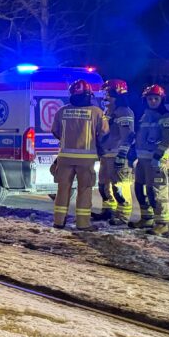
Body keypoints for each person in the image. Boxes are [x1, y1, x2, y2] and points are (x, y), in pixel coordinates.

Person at [52, 79, 108, 231]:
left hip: (65, 158)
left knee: (63, 189)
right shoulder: (97, 112)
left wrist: (68, 140)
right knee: (84, 190)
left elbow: (55, 131)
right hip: (86, 160)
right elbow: (104, 133)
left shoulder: (62, 111)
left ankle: (59, 221)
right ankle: (83, 224)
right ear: (89, 95)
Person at [130, 84, 169, 235]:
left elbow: (166, 139)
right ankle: (146, 218)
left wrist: (158, 156)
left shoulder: (166, 116)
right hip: (142, 160)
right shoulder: (145, 116)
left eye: (156, 98)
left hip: (155, 161)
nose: (153, 101)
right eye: (150, 99)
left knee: (156, 191)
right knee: (140, 189)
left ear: (162, 99)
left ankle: (162, 223)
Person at [94, 79, 135, 224]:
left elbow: (128, 135)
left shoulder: (124, 112)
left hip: (117, 155)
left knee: (119, 186)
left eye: (108, 93)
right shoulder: (108, 111)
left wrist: (122, 155)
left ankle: (122, 216)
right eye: (104, 93)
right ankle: (108, 211)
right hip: (106, 154)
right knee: (103, 185)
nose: (105, 96)